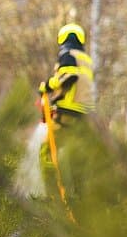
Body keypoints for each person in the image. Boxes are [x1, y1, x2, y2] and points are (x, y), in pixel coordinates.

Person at [36, 22, 95, 204]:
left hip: (67, 115)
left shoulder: (67, 55)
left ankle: (52, 195)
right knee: (75, 158)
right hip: (84, 116)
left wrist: (47, 85)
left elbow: (68, 77)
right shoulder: (86, 60)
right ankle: (78, 198)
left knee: (46, 152)